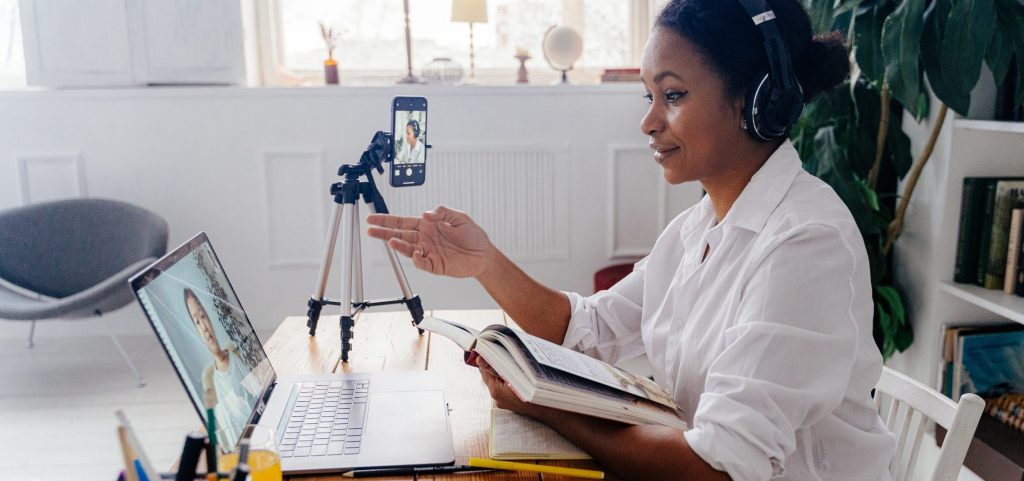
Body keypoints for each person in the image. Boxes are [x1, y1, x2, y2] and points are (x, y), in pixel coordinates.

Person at [366, 0, 895, 479]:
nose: (648, 121)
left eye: (674, 95)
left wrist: (547, 406)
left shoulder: (805, 243)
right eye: (650, 96)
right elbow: (586, 329)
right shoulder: (700, 227)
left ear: (757, 100)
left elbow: (716, 469)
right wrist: (486, 263)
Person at [184, 287, 256, 444]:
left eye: (203, 316)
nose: (203, 327)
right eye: (197, 322)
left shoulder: (234, 352)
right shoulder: (211, 379)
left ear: (209, 318)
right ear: (196, 330)